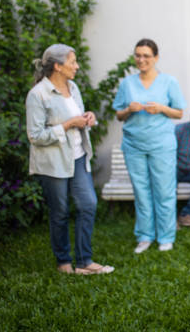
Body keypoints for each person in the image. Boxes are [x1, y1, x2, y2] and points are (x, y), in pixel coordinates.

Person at [26, 43, 114, 275]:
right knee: (60, 212)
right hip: (53, 162)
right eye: (72, 62)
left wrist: (88, 119)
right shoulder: (38, 95)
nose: (76, 66)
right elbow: (35, 136)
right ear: (57, 66)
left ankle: (85, 261)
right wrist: (66, 125)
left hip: (78, 156)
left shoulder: (73, 87)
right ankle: (64, 262)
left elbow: (78, 119)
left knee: (88, 205)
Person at [113, 38, 186, 253]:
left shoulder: (169, 82)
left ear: (155, 58)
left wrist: (162, 108)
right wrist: (129, 109)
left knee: (164, 191)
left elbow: (179, 112)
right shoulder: (127, 84)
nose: (141, 59)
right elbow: (118, 114)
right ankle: (144, 236)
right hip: (134, 145)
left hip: (161, 144)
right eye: (138, 55)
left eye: (146, 55)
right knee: (141, 191)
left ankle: (166, 236)